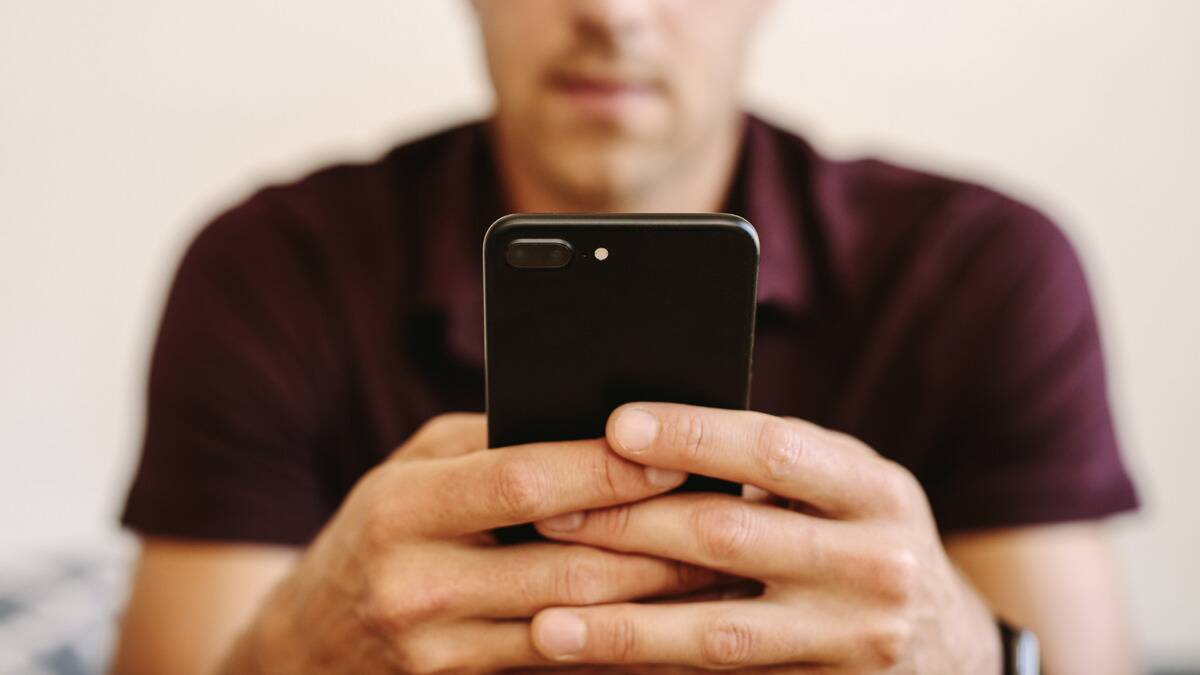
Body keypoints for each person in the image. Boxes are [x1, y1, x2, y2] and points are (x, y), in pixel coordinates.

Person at [111, 2, 1140, 674]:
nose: (611, 13)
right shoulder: (272, 266)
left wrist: (965, 650)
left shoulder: (982, 266)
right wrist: (299, 646)